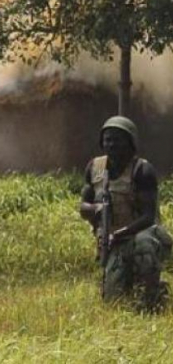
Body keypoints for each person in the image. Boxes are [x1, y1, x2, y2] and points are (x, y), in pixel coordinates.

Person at [80, 116, 172, 311]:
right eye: (107, 140)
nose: (112, 145)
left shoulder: (142, 170)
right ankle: (130, 284)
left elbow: (148, 217)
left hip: (144, 234)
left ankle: (153, 297)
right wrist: (96, 209)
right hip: (113, 241)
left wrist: (118, 234)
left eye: (117, 140)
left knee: (143, 245)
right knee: (113, 300)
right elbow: (83, 207)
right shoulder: (94, 168)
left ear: (130, 143)